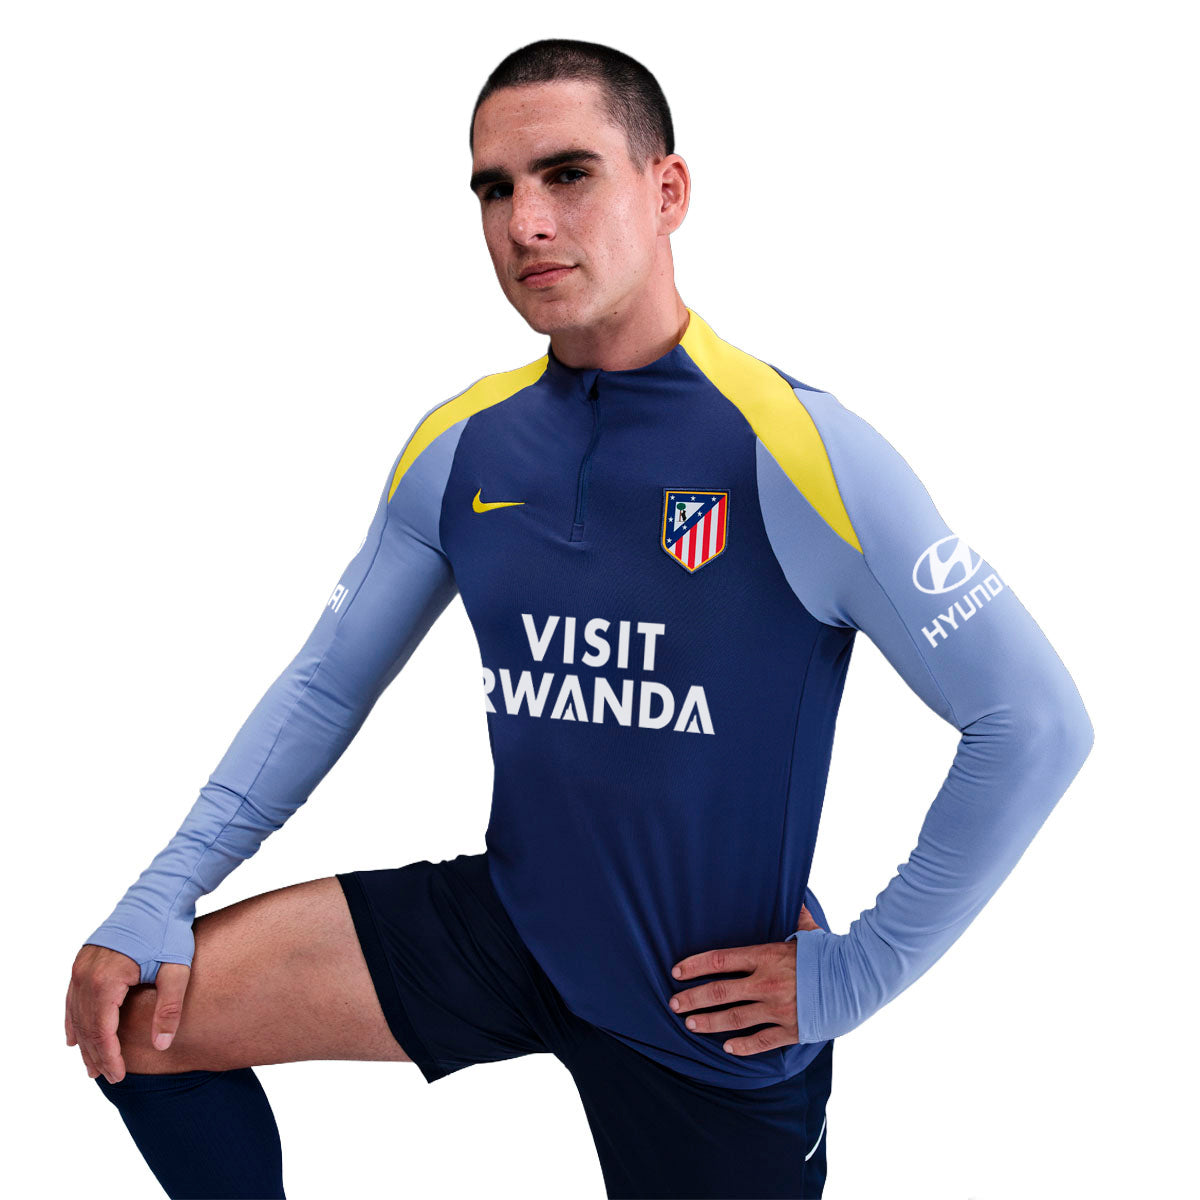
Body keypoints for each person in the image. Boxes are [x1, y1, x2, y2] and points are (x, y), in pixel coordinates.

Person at [67, 37, 1094, 1200]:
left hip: (705, 1003)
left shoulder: (801, 451)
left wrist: (859, 972)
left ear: (668, 190)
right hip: (513, 921)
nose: (526, 223)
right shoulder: (462, 445)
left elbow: (1034, 722)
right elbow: (326, 684)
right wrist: (163, 887)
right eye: (494, 189)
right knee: (138, 1019)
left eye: (567, 174)